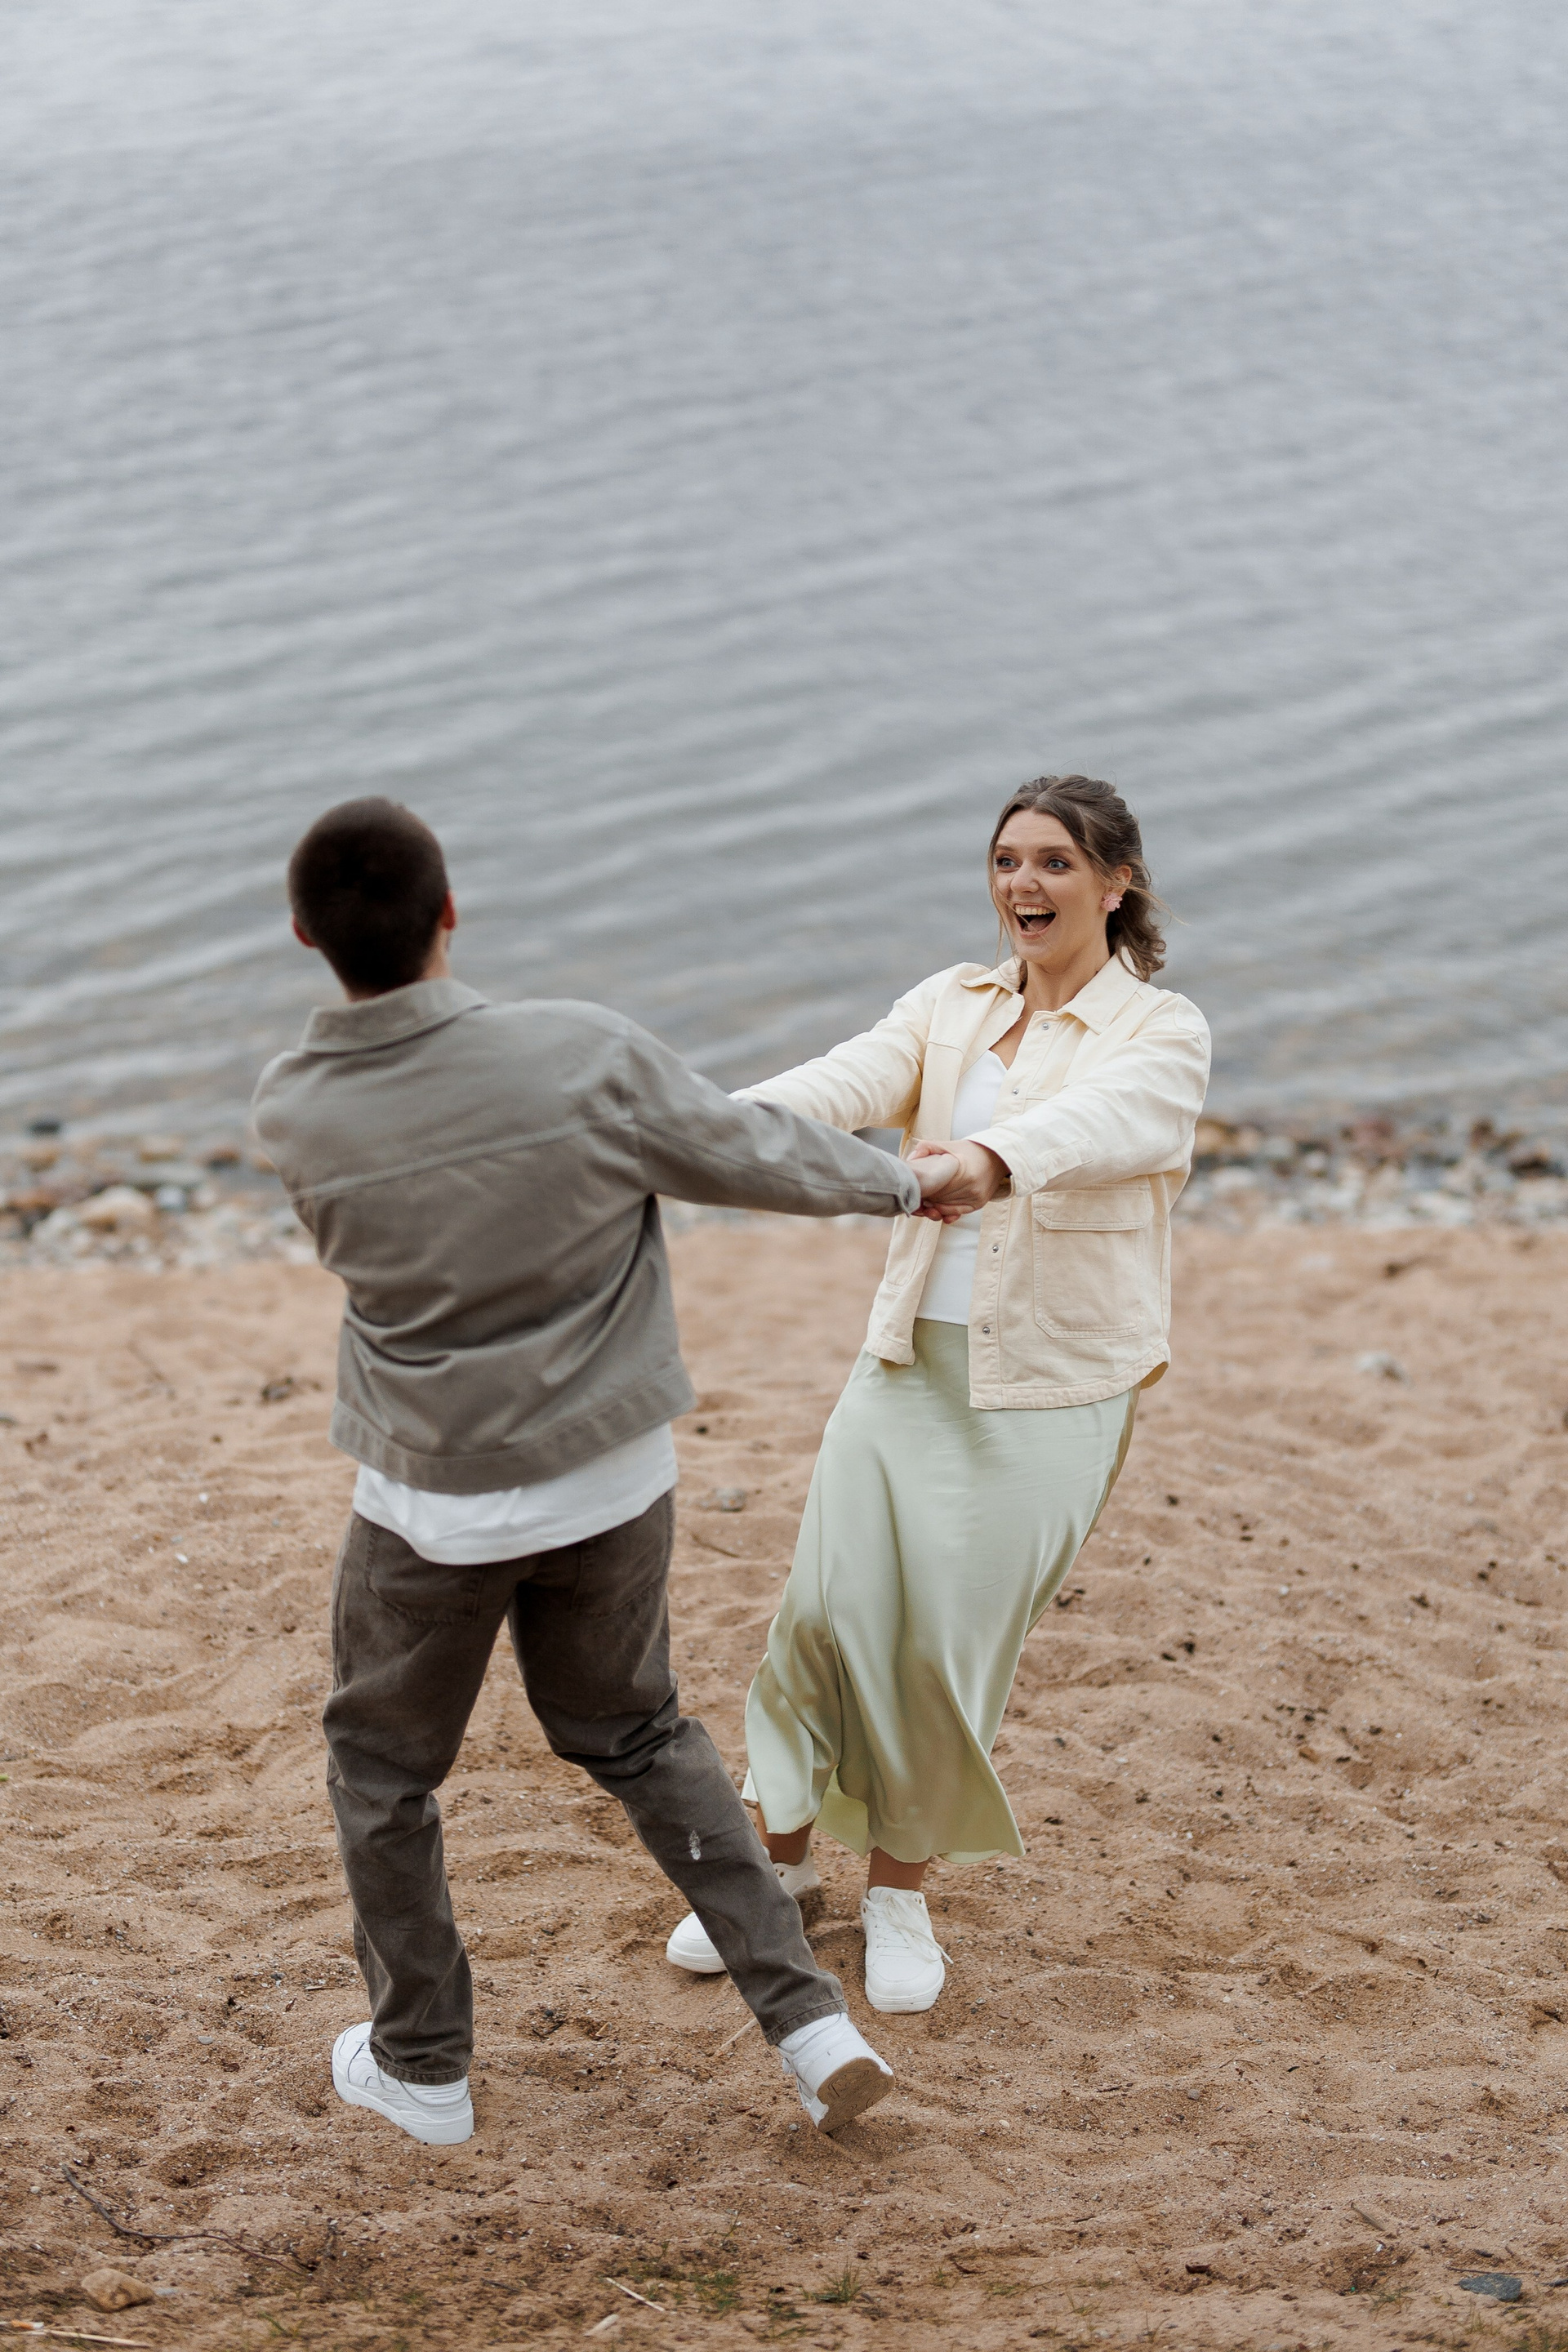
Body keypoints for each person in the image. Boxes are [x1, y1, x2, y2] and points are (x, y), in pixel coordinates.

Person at [251, 798, 959, 2146]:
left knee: (382, 1773)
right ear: (450, 912)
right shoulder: (583, 1053)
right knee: (640, 1737)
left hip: (433, 1501)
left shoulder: (293, 1107)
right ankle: (812, 2030)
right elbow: (747, 1153)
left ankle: (422, 2067)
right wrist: (908, 1187)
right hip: (610, 1482)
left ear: (303, 936)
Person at [663, 775, 1210, 2012]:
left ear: (1116, 882)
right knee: (819, 1619)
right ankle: (778, 1873)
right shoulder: (950, 1004)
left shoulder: (1162, 1033)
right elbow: (845, 1082)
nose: (1025, 883)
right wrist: (706, 1126)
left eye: (1056, 862)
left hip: (1053, 1391)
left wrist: (983, 1161)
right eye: (1009, 859)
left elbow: (1099, 1125)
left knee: (937, 1647)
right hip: (905, 1365)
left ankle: (898, 1895)